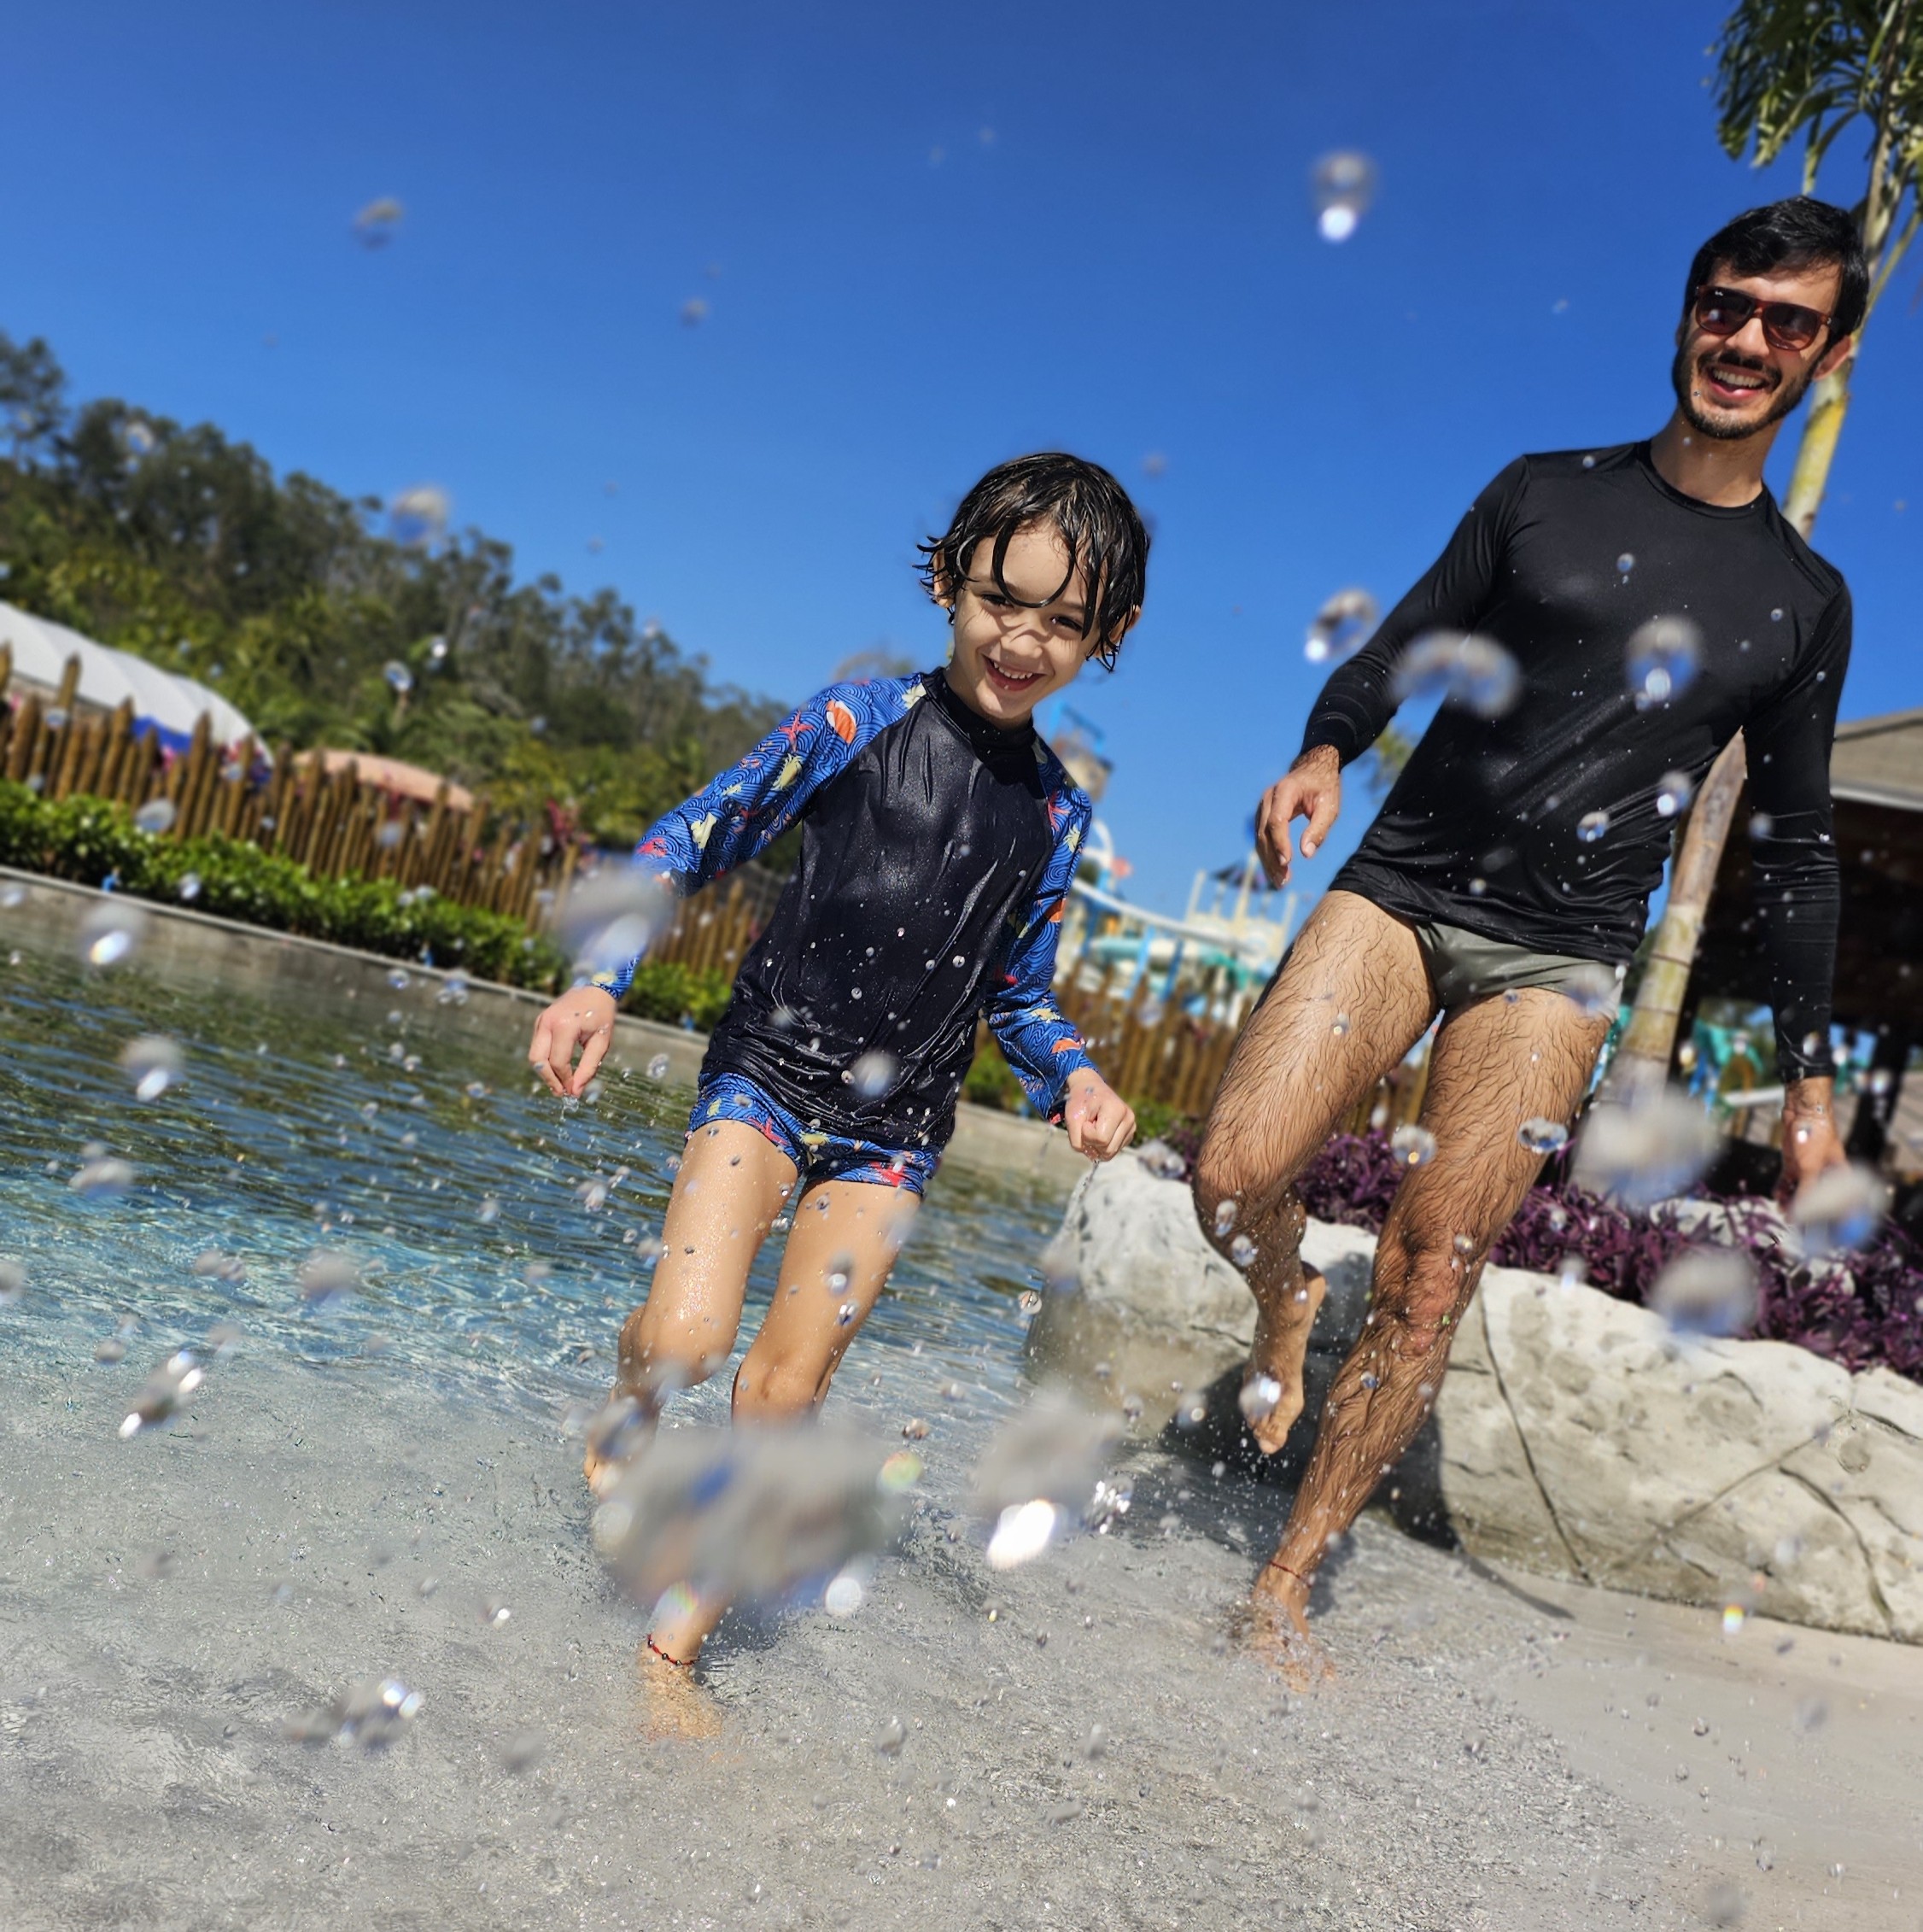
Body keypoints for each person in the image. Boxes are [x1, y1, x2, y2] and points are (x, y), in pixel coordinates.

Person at [1192, 196, 1862, 1669]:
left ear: (1829, 354)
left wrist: (1811, 1089)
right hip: (1403, 889)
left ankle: (1284, 1587)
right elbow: (1403, 643)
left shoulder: (1805, 603)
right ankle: (1287, 1293)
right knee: (1233, 1168)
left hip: (1561, 960)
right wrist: (1325, 748)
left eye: (1787, 322)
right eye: (1726, 304)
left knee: (1434, 1273)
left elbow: (1797, 847)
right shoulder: (1545, 491)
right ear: (1687, 310)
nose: (1746, 340)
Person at [527, 452, 1144, 1689]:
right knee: (691, 1338)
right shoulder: (856, 724)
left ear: (1108, 636)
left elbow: (1018, 993)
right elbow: (695, 835)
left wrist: (1072, 1074)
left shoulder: (1057, 815)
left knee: (783, 1390)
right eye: (999, 598)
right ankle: (634, 1388)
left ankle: (671, 1654)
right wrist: (600, 976)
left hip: (894, 1136)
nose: (1023, 639)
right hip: (765, 1078)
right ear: (946, 581)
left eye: (1064, 621)